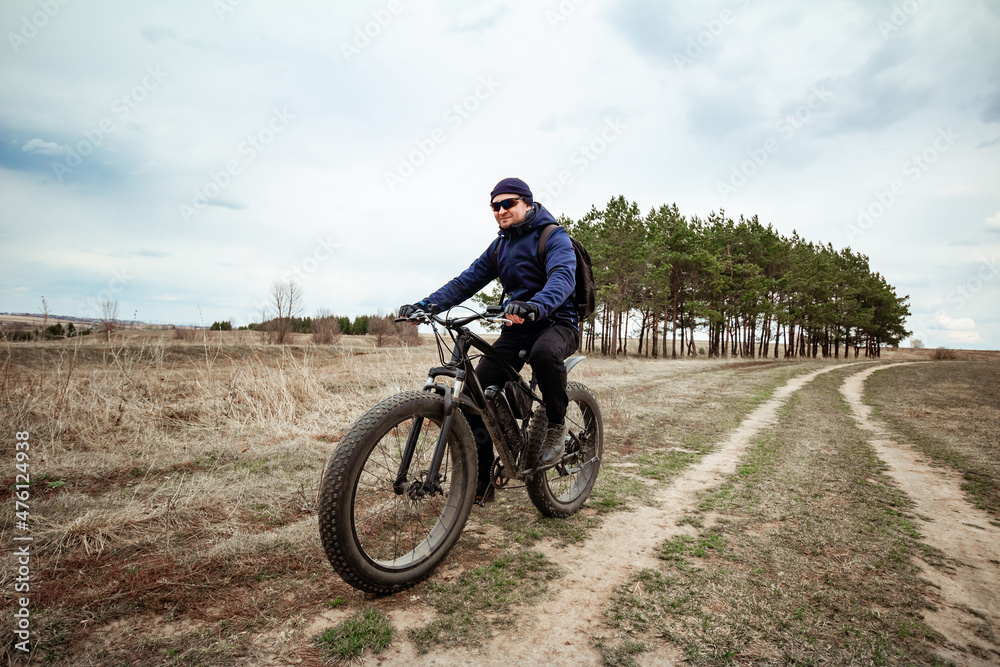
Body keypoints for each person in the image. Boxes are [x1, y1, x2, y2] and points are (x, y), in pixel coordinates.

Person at [398, 177, 580, 502]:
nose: (500, 211)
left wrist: (536, 306)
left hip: (556, 322)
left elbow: (563, 279)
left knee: (544, 354)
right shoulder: (501, 246)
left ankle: (555, 424)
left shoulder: (554, 237)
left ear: (527, 203)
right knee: (473, 396)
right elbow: (466, 281)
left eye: (507, 203)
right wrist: (426, 306)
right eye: (494, 206)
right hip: (517, 326)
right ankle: (481, 482)